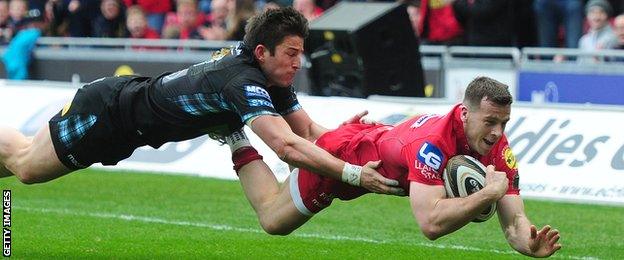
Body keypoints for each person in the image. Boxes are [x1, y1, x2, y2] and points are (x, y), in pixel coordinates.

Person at [0, 7, 403, 197]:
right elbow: (286, 146)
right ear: (262, 51)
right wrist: (352, 175)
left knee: (22, 159)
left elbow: (311, 133)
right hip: (107, 114)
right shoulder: (242, 80)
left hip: (124, 123)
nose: (299, 63)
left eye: (301, 53)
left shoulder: (269, 74)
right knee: (25, 166)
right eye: (292, 53)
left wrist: (347, 139)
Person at [227, 77, 562, 257]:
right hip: (345, 161)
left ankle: (287, 110)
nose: (497, 133)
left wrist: (527, 244)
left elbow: (515, 220)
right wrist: (487, 194)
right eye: (490, 121)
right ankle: (233, 132)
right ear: (464, 113)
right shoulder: (432, 146)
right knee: (273, 219)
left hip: (375, 141)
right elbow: (430, 225)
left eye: (503, 123)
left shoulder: (497, 148)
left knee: (302, 158)